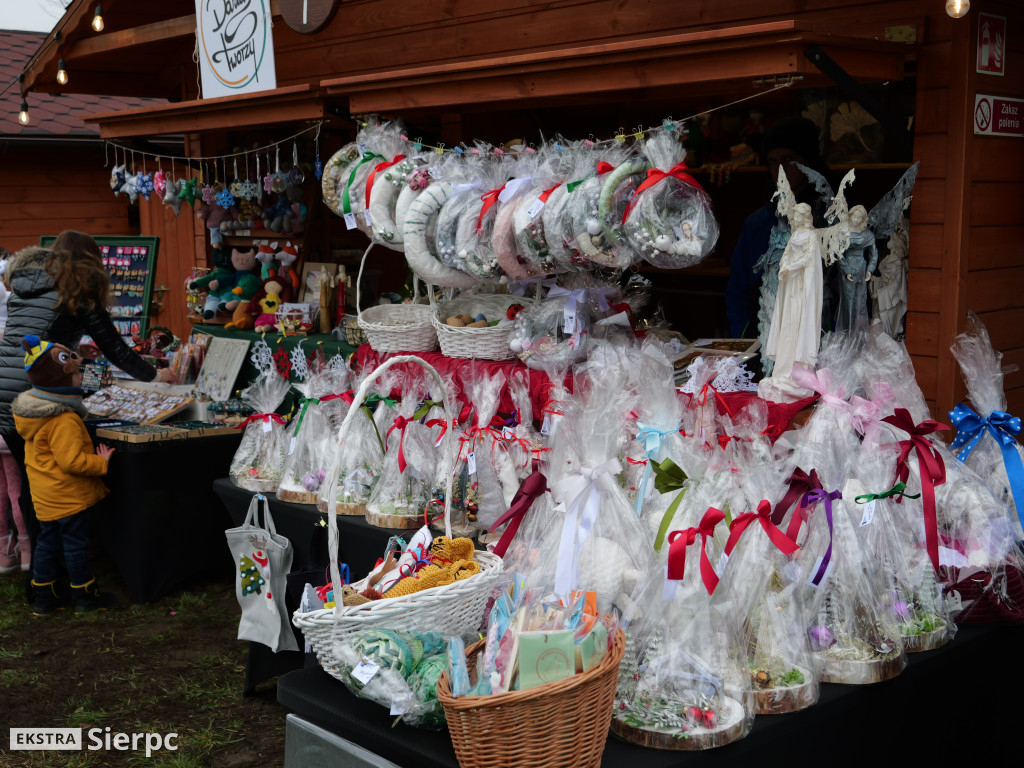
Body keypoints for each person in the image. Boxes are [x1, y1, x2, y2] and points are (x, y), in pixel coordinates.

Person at [0, 232, 174, 593]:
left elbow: (37, 337)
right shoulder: (80, 291)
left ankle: (44, 573)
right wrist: (158, 375)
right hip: (35, 391)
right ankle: (62, 572)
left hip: (6, 390)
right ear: (91, 261)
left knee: (35, 479)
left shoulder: (27, 284)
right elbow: (116, 348)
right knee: (54, 486)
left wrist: (74, 351)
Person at [13, 335, 117, 613]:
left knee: (46, 544)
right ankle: (84, 595)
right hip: (69, 497)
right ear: (60, 380)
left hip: (46, 497)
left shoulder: (34, 415)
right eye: (77, 375)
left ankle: (45, 598)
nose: (81, 378)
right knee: (75, 546)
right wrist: (101, 462)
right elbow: (72, 462)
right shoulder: (64, 419)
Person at [725, 117, 831, 339]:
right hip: (764, 340)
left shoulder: (830, 219)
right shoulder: (756, 224)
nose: (780, 169)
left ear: (808, 162)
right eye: (773, 161)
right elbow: (737, 289)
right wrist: (746, 333)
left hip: (817, 340)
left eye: (789, 159)